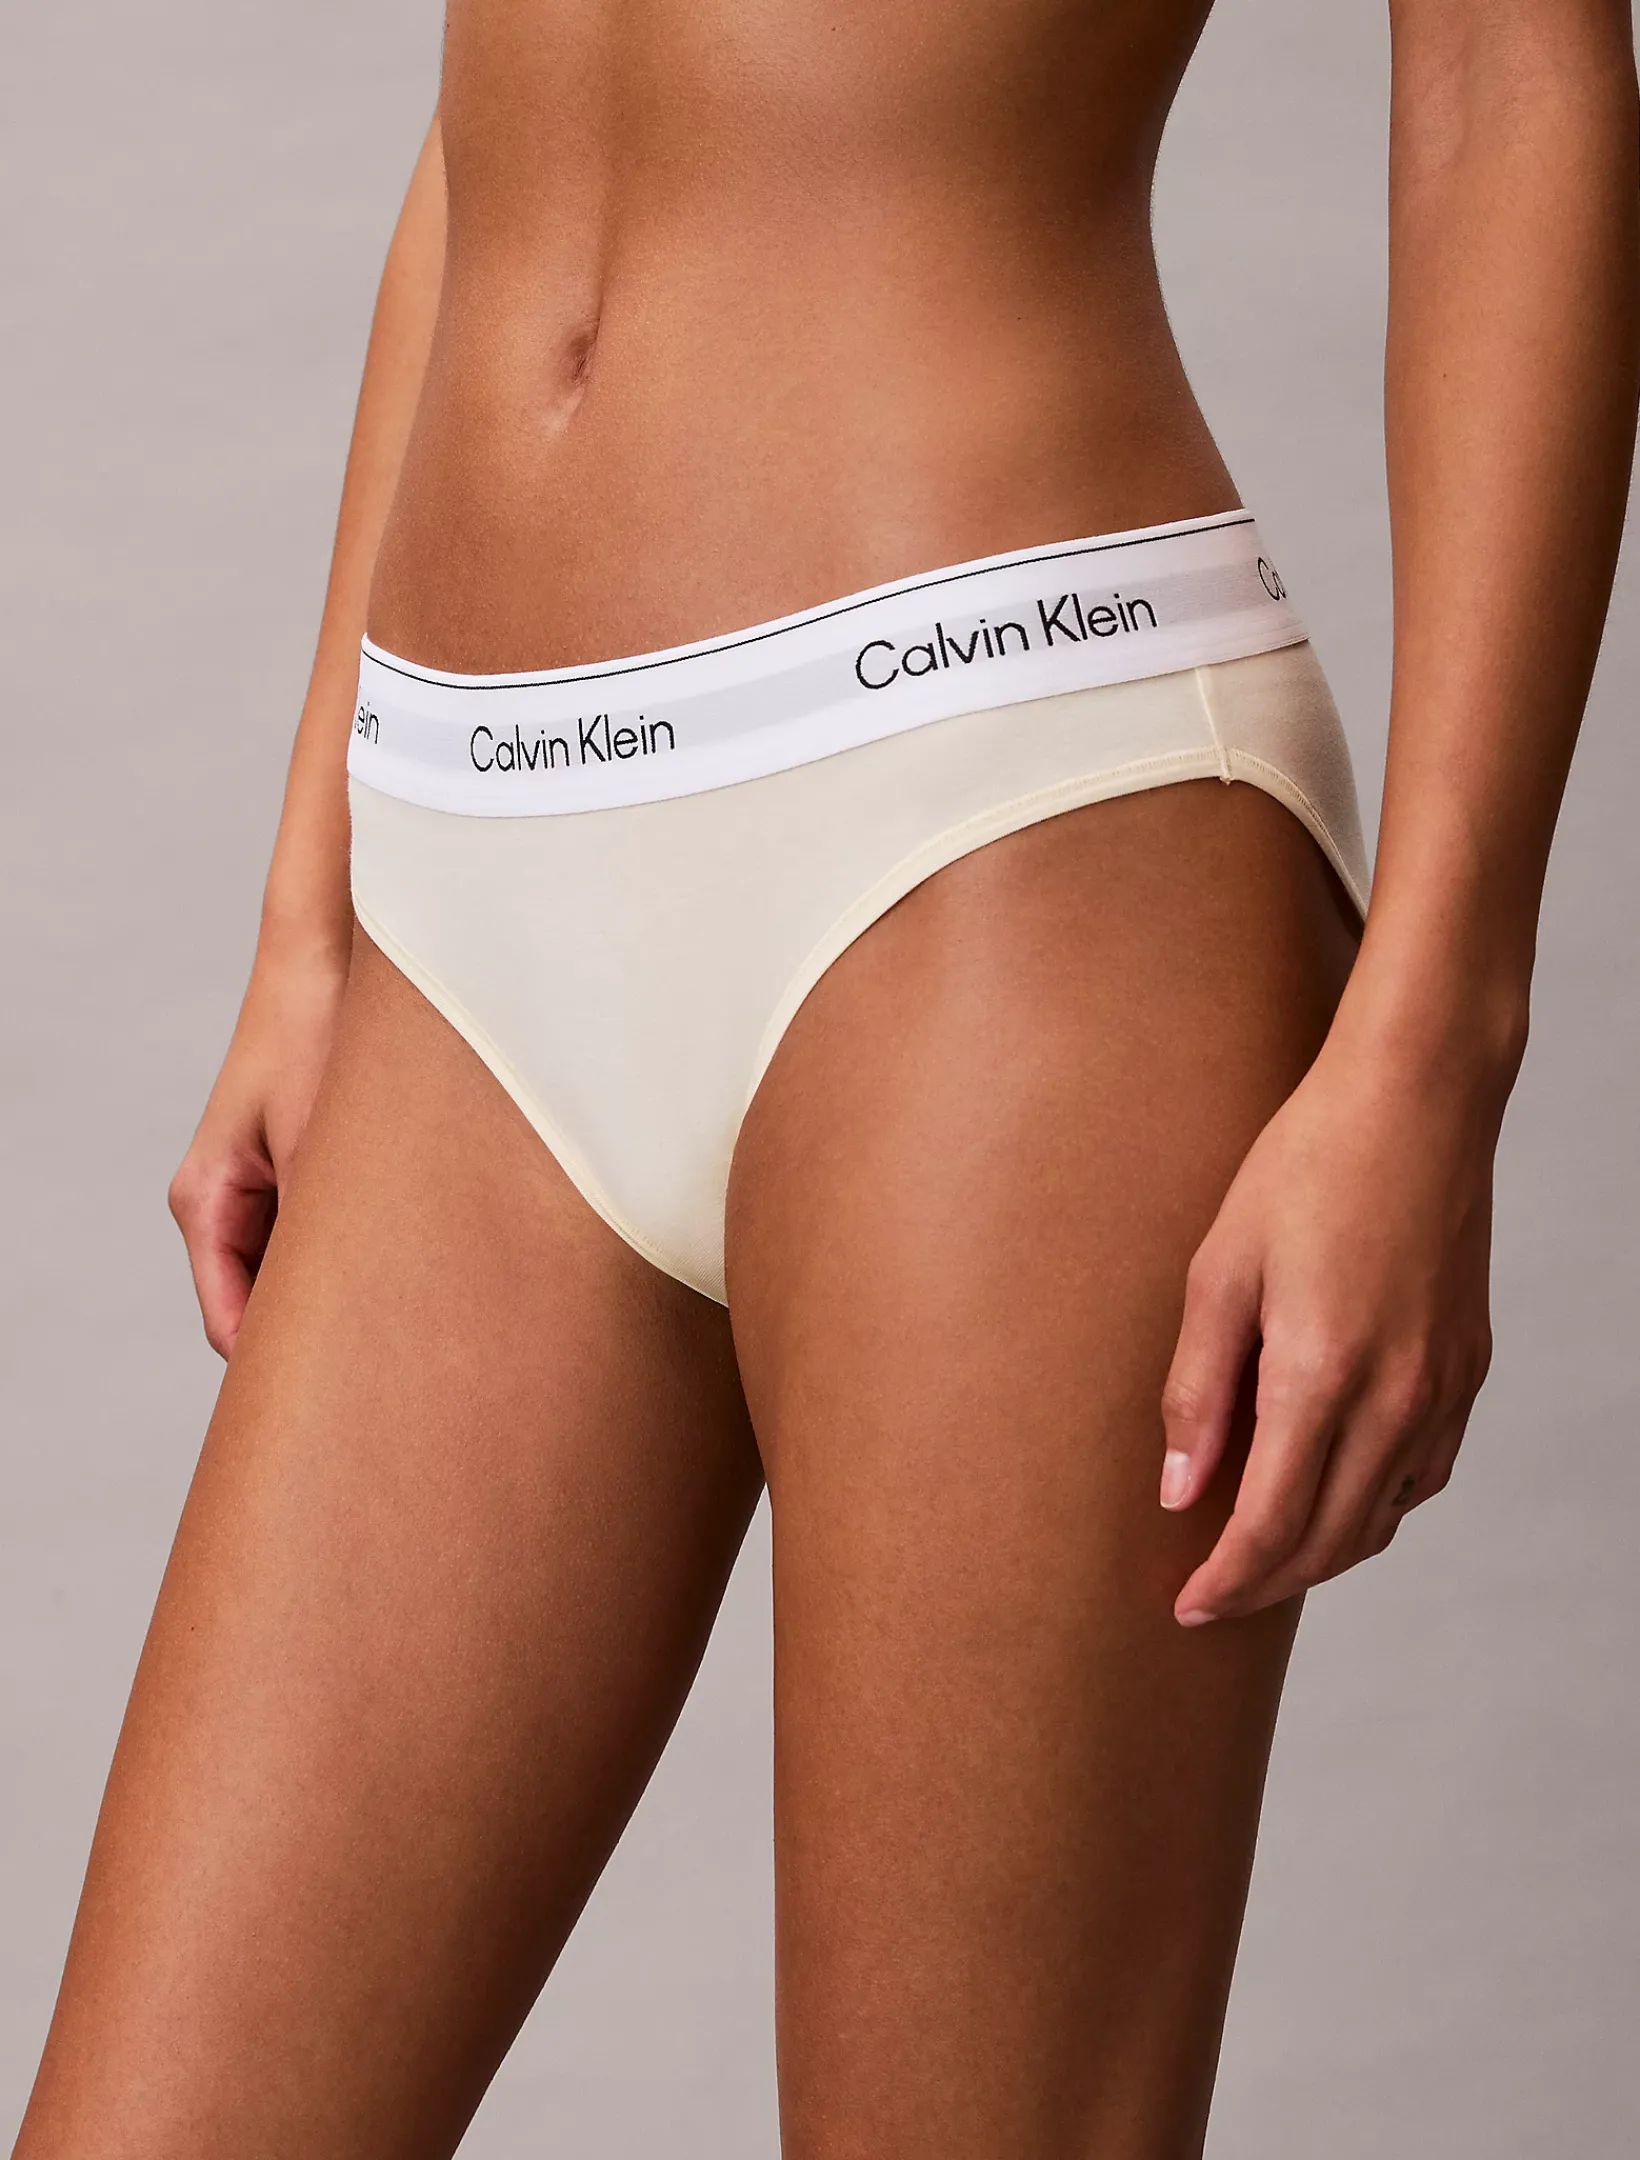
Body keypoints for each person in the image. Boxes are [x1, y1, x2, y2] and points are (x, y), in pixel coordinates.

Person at [13, 1, 1638, 2154]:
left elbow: (1511, 82)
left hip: (1002, 813)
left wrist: (1438, 1040)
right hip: (473, 876)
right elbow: (500, 113)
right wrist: (312, 901)